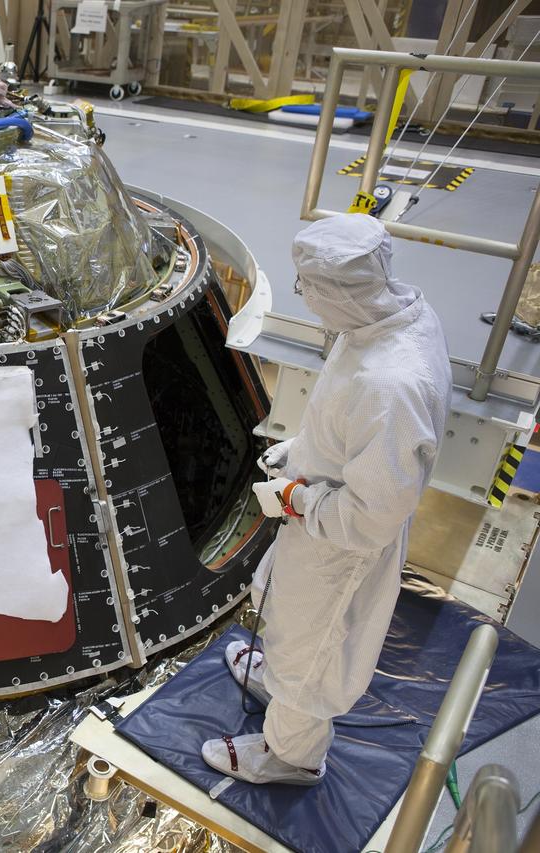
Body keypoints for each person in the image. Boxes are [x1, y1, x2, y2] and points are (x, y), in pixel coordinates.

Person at [201, 214, 452, 786]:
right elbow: (356, 435)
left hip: (341, 547)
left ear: (339, 291)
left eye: (307, 287)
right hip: (319, 516)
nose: (305, 298)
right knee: (290, 621)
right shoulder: (388, 321)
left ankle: (290, 756)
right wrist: (304, 453)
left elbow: (370, 518)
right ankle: (276, 680)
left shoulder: (392, 383)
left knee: (314, 653)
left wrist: (298, 498)